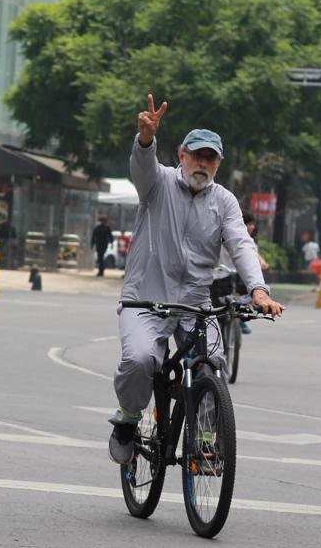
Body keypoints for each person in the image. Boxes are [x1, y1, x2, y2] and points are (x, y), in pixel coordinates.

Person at [109, 94, 284, 464]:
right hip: (145, 299)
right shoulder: (158, 183)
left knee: (212, 365)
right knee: (141, 360)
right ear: (181, 156)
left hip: (194, 304)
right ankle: (127, 417)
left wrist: (258, 290)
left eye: (210, 158)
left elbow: (240, 243)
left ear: (218, 163)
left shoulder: (225, 201)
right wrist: (144, 141)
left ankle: (204, 440)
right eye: (197, 155)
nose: (202, 164)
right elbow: (142, 168)